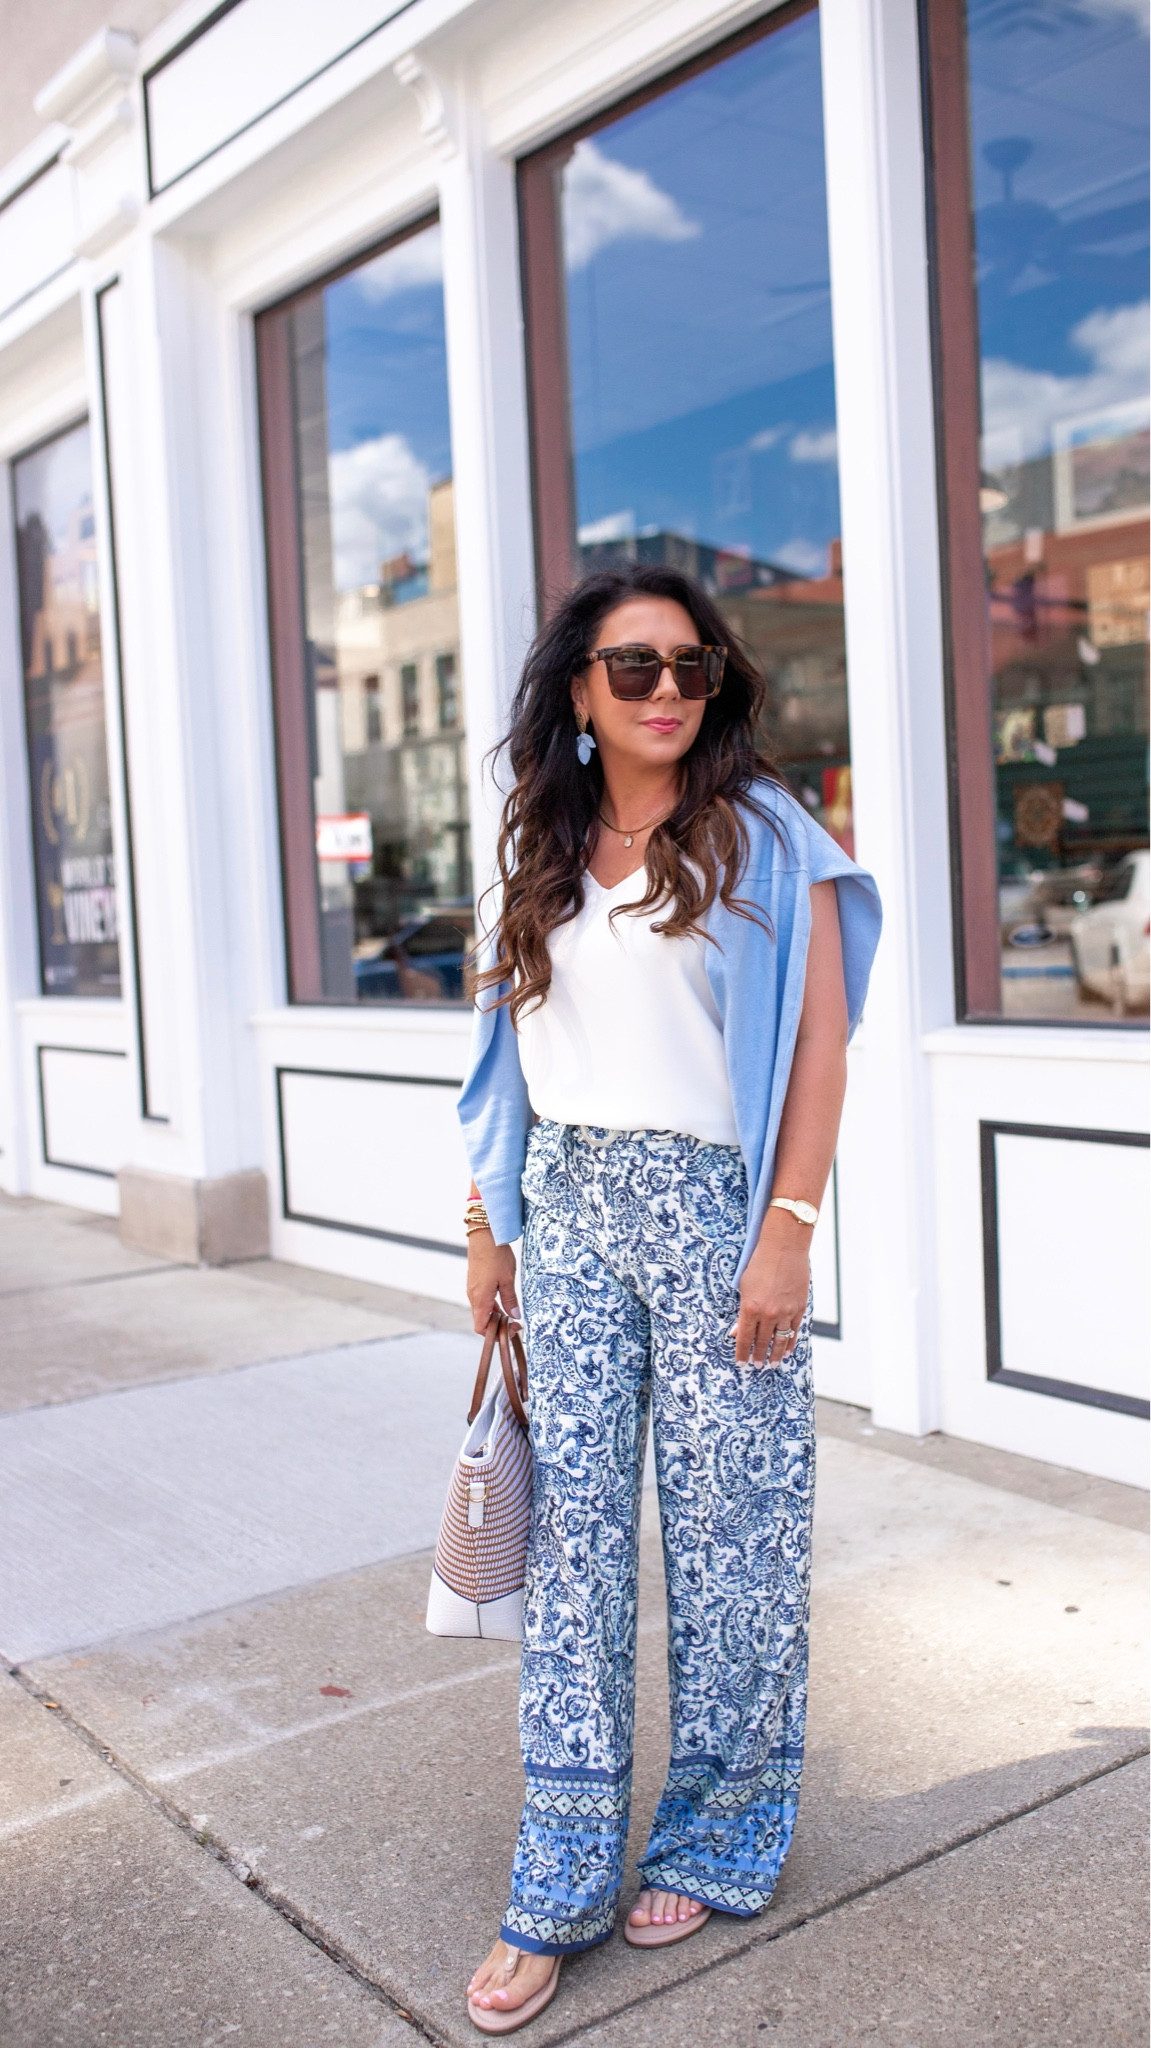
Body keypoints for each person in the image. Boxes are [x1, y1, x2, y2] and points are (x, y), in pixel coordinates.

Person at [456, 564, 881, 2033]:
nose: (664, 694)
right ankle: (559, 1870)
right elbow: (508, 1048)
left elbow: (820, 1050)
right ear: (577, 686)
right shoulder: (542, 839)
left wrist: (790, 1231)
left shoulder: (766, 835)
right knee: (574, 1549)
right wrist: (486, 1227)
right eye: (631, 668)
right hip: (565, 1208)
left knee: (733, 1540)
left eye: (690, 669)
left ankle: (717, 1831)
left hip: (715, 1212)